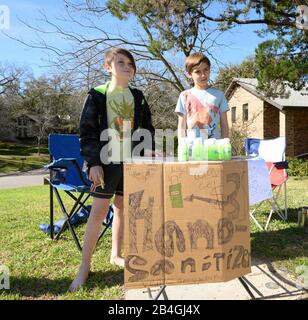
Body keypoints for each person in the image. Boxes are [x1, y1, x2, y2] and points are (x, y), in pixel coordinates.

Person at [69, 48, 155, 292]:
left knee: (122, 209)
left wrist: (147, 148)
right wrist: (94, 162)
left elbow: (147, 126)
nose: (127, 66)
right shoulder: (97, 94)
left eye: (130, 63)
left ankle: (115, 254)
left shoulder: (138, 96)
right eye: (121, 62)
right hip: (106, 162)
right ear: (108, 67)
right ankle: (84, 266)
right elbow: (87, 131)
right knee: (98, 212)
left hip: (132, 163)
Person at [175, 52, 229, 140]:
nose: (203, 75)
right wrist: (182, 146)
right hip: (193, 149)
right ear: (189, 74)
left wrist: (226, 145)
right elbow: (181, 126)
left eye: (206, 70)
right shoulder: (184, 95)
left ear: (210, 69)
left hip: (214, 149)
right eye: (198, 72)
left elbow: (224, 124)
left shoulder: (219, 95)